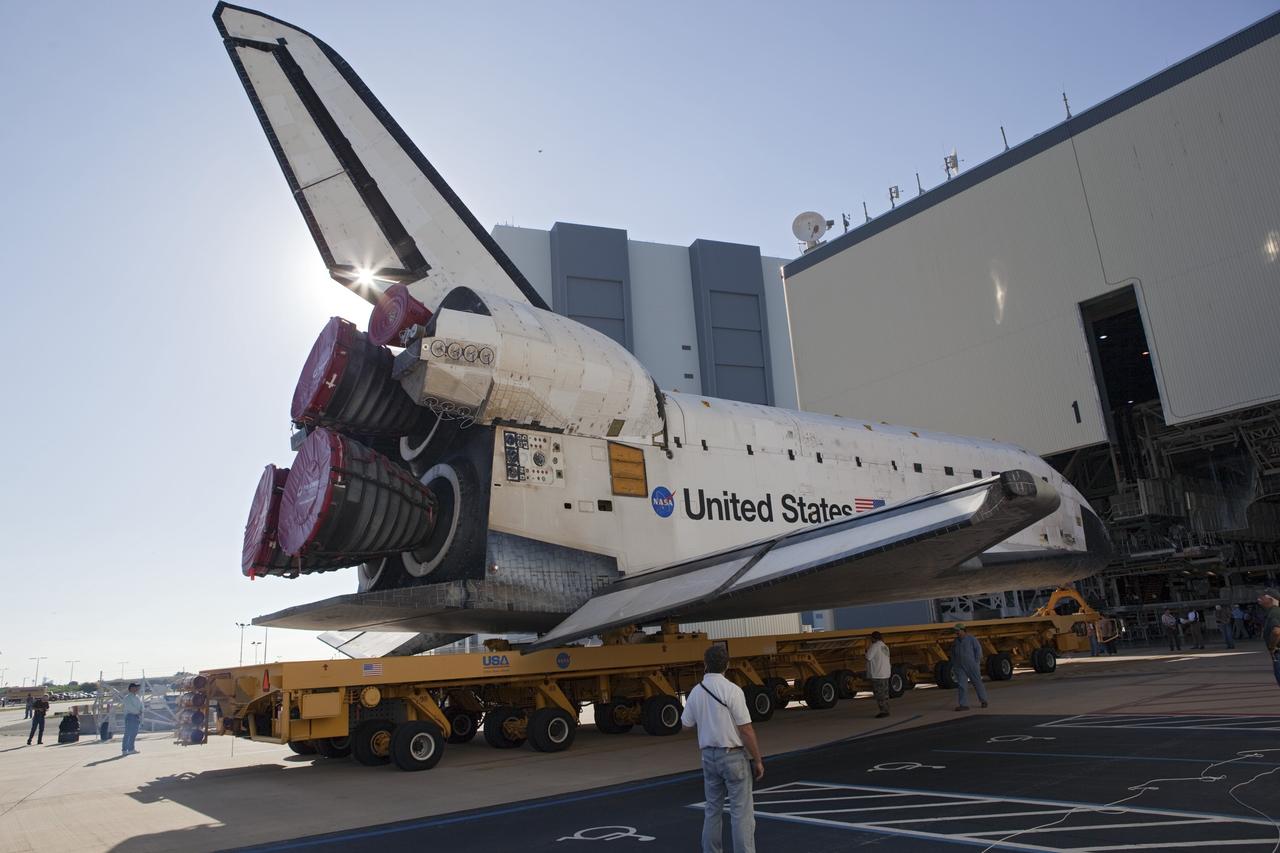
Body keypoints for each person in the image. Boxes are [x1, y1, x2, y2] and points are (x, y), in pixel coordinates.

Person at [681, 644, 763, 853]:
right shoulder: (733, 691)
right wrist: (758, 759)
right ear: (727, 664)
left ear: (705, 664)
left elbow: (686, 724)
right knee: (741, 813)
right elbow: (746, 729)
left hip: (709, 756)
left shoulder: (696, 692)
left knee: (712, 810)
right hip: (733, 755)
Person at [949, 624, 988, 711]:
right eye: (956, 631)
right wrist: (954, 663)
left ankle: (983, 700)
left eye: (958, 631)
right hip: (960, 666)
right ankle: (963, 705)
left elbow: (978, 650)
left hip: (972, 665)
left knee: (977, 682)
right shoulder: (955, 641)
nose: (956, 633)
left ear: (963, 630)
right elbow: (952, 653)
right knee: (962, 685)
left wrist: (976, 662)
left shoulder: (971, 639)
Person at [865, 631, 892, 718]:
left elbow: (868, 657)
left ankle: (883, 711)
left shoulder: (875, 646)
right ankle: (886, 709)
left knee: (879, 694)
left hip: (878, 674)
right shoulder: (885, 646)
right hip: (886, 673)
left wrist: (866, 650)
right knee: (885, 693)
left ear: (873, 638)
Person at [1260, 590, 1280, 688]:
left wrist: (1272, 647)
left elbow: (1276, 632)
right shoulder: (1274, 611)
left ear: (1270, 599)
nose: (1260, 598)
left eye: (1263, 596)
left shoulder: (1274, 613)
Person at [122, 683, 144, 755]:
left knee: (134, 733)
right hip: (130, 716)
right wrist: (138, 712)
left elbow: (141, 705)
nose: (137, 689)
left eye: (137, 687)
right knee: (128, 733)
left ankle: (131, 749)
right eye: (135, 687)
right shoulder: (127, 698)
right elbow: (130, 707)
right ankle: (124, 750)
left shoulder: (137, 697)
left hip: (136, 716)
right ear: (131, 688)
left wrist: (142, 711)